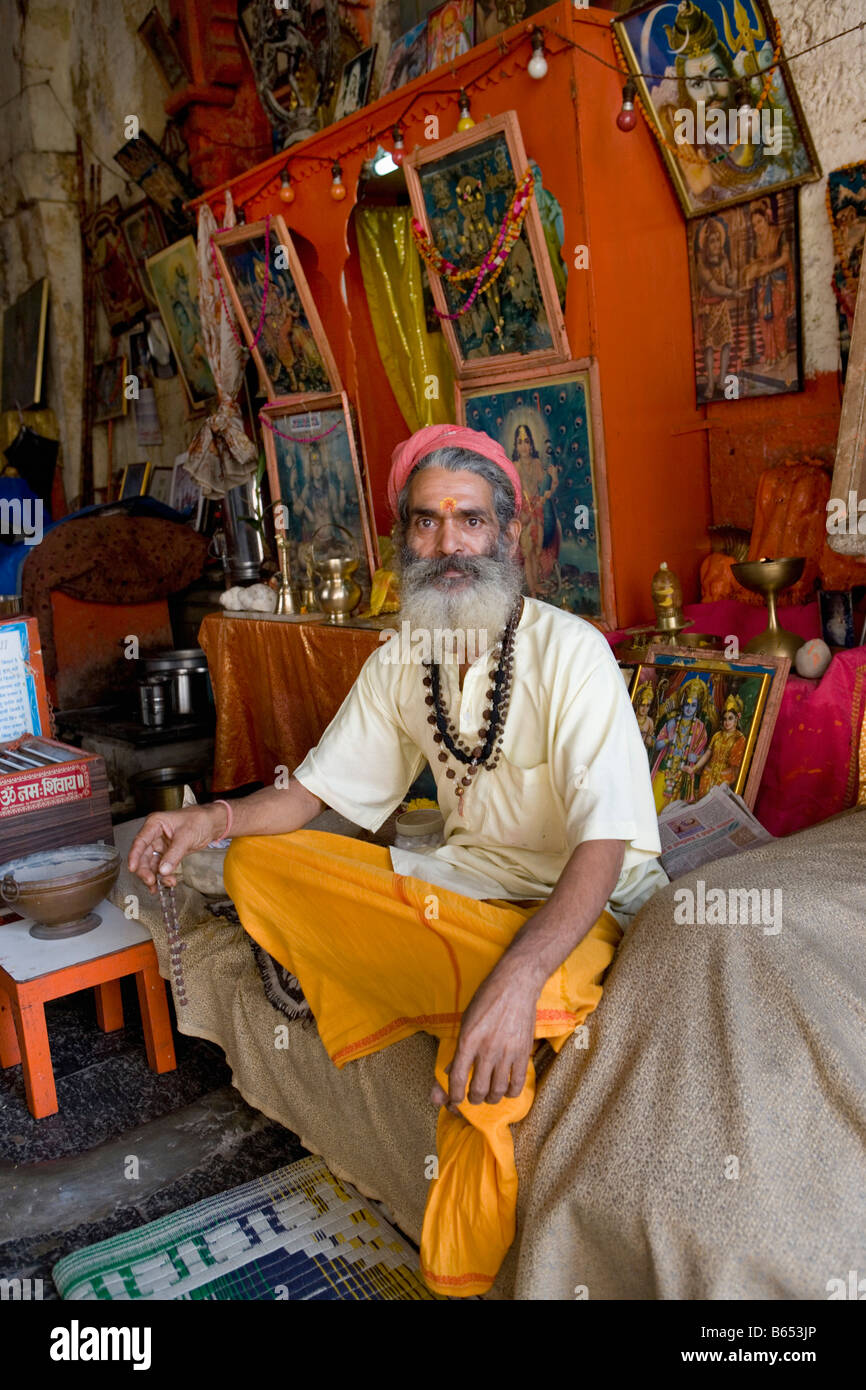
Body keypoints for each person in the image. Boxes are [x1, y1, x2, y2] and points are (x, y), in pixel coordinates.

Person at [129, 423, 665, 1296]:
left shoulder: (574, 654)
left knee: (530, 999)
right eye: (425, 523)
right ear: (402, 540)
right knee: (257, 865)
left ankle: (464, 1241)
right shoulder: (404, 656)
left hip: (587, 912)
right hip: (460, 895)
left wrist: (518, 978)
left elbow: (606, 847)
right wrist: (212, 819)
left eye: (469, 520)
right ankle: (474, 995)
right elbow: (310, 798)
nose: (448, 544)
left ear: (510, 534)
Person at [692, 693, 747, 798]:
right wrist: (695, 768)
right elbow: (708, 754)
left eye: (730, 718)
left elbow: (735, 766)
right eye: (725, 719)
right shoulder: (717, 735)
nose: (727, 722)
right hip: (708, 774)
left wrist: (723, 776)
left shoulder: (740, 738)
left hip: (725, 777)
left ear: (737, 718)